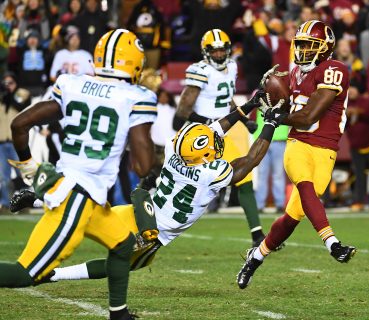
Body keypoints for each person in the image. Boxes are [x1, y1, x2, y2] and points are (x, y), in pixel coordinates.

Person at [10, 73, 287, 284]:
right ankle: (54, 275)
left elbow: (212, 131)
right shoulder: (210, 173)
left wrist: (249, 104)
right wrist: (271, 124)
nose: (217, 145)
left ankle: (38, 197)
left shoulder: (175, 147)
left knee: (87, 212)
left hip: (139, 209)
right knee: (124, 263)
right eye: (212, 148)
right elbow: (249, 161)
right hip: (155, 230)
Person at [0, 29, 156, 320]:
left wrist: (30, 170)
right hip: (77, 198)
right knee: (26, 273)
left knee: (123, 245)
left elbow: (20, 125)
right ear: (134, 61)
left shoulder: (73, 84)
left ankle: (118, 313)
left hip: (85, 193)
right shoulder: (136, 97)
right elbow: (143, 167)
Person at [237, 20, 356, 290]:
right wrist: (269, 95)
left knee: (293, 217)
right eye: (300, 44)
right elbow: (291, 112)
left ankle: (255, 258)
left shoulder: (334, 70)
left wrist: (278, 116)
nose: (302, 50)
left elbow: (309, 115)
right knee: (305, 188)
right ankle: (333, 243)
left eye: (309, 45)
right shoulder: (294, 74)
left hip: (325, 150)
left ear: (325, 49)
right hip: (298, 145)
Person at [173, 28, 266, 248]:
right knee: (198, 180)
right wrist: (201, 122)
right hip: (209, 131)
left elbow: (228, 100)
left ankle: (257, 234)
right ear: (206, 52)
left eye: (222, 50)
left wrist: (243, 120)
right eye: (214, 51)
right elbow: (184, 106)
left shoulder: (232, 66)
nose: (219, 55)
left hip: (229, 126)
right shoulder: (200, 70)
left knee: (244, 177)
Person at [0, 71, 31, 211]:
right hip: (1, 143)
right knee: (3, 176)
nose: (8, 86)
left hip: (16, 143)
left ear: (16, 82)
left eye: (10, 83)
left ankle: (24, 203)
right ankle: (6, 204)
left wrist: (9, 94)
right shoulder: (1, 97)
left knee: (22, 175)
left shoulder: (21, 93)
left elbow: (21, 106)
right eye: (5, 83)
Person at [345, 83, 369, 211]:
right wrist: (346, 116)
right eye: (349, 89)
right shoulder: (345, 104)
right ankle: (360, 201)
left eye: (353, 89)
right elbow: (343, 126)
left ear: (358, 90)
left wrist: (360, 112)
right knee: (359, 175)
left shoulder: (366, 101)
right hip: (355, 146)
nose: (351, 92)